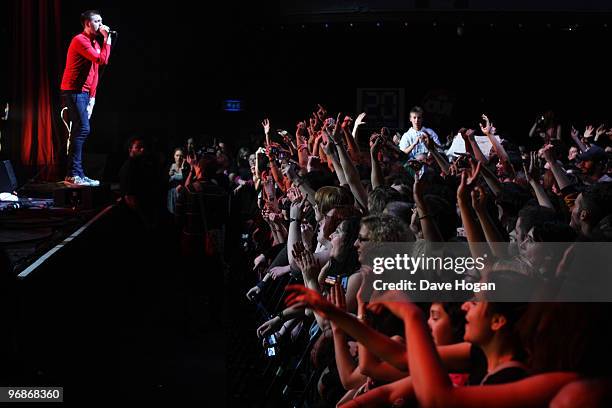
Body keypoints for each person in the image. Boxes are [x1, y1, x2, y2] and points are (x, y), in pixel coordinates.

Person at [60, 10, 112, 186]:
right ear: (87, 24)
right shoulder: (80, 40)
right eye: (97, 21)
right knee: (82, 129)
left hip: (84, 93)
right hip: (73, 90)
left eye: (101, 20)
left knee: (80, 130)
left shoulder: (94, 42)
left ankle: (75, 174)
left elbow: (97, 71)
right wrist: (108, 40)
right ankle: (74, 173)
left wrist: (93, 97)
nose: (101, 24)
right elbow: (101, 60)